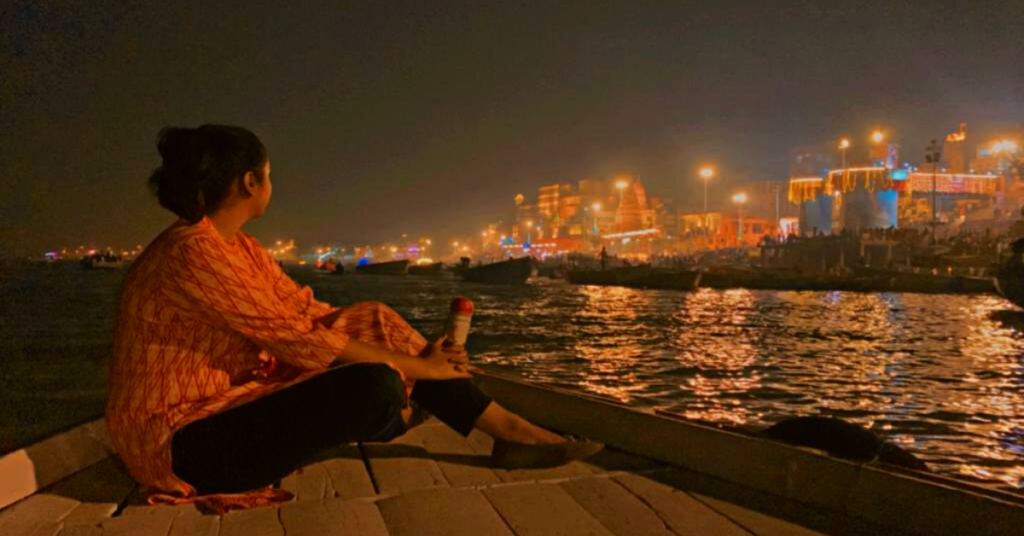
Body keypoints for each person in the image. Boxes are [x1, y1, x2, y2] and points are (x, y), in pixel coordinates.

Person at [106, 125, 602, 512]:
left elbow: (306, 310)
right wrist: (419, 369)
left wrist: (405, 349)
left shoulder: (237, 247)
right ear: (250, 181)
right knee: (373, 387)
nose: (272, 183)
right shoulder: (191, 254)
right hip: (182, 441)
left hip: (233, 403)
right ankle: (415, 408)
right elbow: (296, 339)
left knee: (374, 318)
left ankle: (508, 432)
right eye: (270, 174)